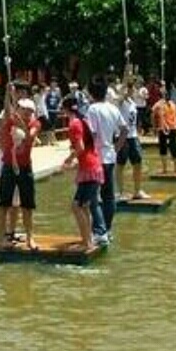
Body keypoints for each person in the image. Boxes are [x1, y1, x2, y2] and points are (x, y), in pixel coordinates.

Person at [0, 88, 41, 250]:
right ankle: (1, 238)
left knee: (27, 205)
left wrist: (23, 125)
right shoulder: (10, 120)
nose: (26, 112)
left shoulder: (35, 124)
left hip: (25, 167)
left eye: (29, 111)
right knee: (4, 204)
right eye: (23, 109)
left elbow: (30, 138)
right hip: (8, 165)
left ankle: (30, 237)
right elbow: (8, 109)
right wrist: (8, 94)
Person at [85, 75, 127, 244]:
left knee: (93, 196)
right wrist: (116, 148)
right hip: (110, 155)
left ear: (91, 93)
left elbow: (93, 134)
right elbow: (124, 129)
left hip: (97, 157)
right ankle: (107, 229)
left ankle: (99, 231)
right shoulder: (113, 108)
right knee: (108, 196)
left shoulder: (92, 109)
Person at [61, 96, 103, 250]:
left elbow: (80, 148)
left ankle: (86, 242)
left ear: (64, 110)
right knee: (84, 206)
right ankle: (88, 239)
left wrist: (69, 159)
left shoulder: (74, 124)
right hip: (93, 167)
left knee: (76, 206)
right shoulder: (83, 121)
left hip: (90, 169)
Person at [116, 74, 148, 199]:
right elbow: (121, 93)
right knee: (120, 164)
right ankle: (120, 191)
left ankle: (137, 191)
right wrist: (127, 74)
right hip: (123, 137)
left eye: (134, 88)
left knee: (138, 163)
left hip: (133, 136)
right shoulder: (121, 101)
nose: (134, 91)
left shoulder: (132, 102)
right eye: (131, 88)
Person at [151, 83, 176, 173]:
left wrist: (154, 127)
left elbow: (152, 116)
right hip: (172, 127)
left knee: (163, 148)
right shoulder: (173, 104)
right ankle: (175, 168)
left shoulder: (158, 105)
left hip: (163, 128)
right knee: (173, 147)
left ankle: (165, 169)